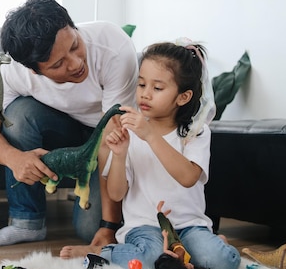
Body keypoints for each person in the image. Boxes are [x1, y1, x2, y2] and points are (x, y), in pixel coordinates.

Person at [0, 0, 139, 249]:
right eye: (59, 63)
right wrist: (14, 159)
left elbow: (112, 138)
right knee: (17, 116)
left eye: (74, 45)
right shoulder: (12, 70)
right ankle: (26, 222)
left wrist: (109, 226)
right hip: (67, 127)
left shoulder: (113, 46)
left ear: (73, 27)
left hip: (113, 137)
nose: (76, 64)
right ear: (34, 70)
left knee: (89, 231)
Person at [62, 39, 241, 269]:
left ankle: (212, 243)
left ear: (183, 97)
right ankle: (102, 250)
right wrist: (119, 155)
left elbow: (188, 177)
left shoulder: (195, 132)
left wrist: (150, 136)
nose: (145, 94)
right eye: (141, 84)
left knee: (222, 261)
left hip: (188, 226)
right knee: (146, 260)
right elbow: (116, 194)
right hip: (145, 227)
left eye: (157, 88)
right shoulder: (130, 131)